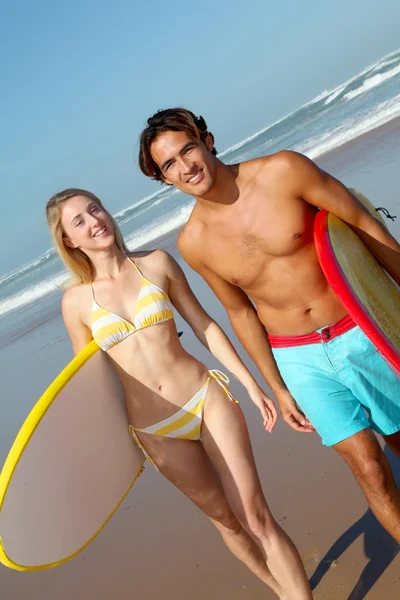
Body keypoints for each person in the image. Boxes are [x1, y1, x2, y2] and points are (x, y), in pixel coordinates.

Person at [138, 108, 400, 543]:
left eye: (187, 148)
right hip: (300, 358)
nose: (185, 167)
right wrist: (277, 386)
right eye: (170, 165)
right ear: (165, 179)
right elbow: (240, 311)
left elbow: (363, 224)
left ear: (208, 139)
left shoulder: (284, 172)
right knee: (369, 469)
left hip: (360, 328)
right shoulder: (194, 243)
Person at [46, 188, 312, 600]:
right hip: (155, 429)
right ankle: (283, 591)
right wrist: (107, 457)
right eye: (78, 221)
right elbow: (91, 385)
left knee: (254, 516)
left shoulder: (155, 263)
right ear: (69, 241)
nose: (93, 221)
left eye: (94, 209)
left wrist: (249, 383)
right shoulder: (75, 303)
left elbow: (204, 325)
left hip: (205, 398)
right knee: (226, 522)